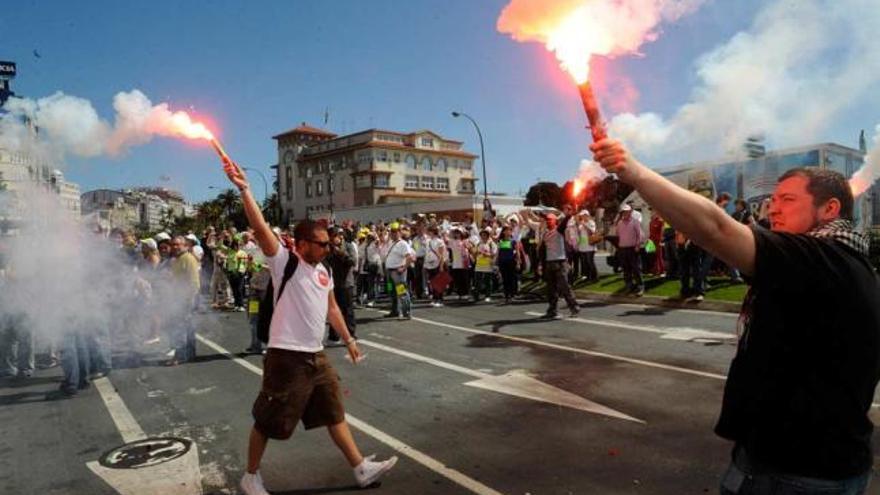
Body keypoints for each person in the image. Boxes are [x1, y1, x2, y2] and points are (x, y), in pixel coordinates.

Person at [592, 138, 880, 495]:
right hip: (816, 465)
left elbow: (715, 229)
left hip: (794, 474)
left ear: (829, 209)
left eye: (788, 200)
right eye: (773, 200)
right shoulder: (843, 263)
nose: (773, 209)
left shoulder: (823, 260)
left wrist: (633, 172)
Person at [222, 158, 397, 495]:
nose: (328, 247)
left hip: (316, 357)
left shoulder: (324, 271)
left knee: (334, 413)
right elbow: (260, 228)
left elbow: (332, 308)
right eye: (322, 244)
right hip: (286, 358)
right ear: (302, 244)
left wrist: (348, 340)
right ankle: (251, 476)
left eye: (329, 243)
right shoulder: (284, 261)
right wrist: (245, 189)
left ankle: (361, 467)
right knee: (268, 420)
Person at [527, 206, 580, 318]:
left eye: (550, 220)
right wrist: (541, 264)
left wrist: (569, 215)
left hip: (560, 263)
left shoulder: (559, 230)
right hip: (549, 263)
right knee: (551, 289)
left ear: (555, 221)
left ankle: (574, 306)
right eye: (547, 220)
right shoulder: (545, 234)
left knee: (565, 286)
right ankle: (552, 309)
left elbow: (565, 222)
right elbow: (542, 251)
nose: (548, 221)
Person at [168, 235, 201, 365]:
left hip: (187, 299)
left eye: (178, 244)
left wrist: (188, 300)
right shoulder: (177, 260)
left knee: (180, 328)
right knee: (187, 327)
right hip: (179, 298)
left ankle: (180, 355)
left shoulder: (188, 259)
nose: (175, 247)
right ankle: (188, 354)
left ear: (185, 246)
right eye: (173, 244)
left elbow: (194, 283)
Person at [383, 223, 415, 319]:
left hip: (397, 271)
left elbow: (409, 257)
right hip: (389, 271)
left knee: (402, 292)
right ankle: (394, 310)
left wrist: (404, 267)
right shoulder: (391, 243)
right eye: (392, 232)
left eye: (395, 231)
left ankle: (407, 312)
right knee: (391, 291)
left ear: (399, 232)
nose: (393, 234)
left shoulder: (403, 244)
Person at [615, 204, 645, 296]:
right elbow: (618, 234)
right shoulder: (619, 223)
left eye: (627, 211)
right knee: (626, 269)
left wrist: (638, 245)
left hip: (633, 248)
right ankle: (629, 286)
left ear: (630, 212)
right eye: (624, 212)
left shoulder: (635, 222)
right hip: (623, 249)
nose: (625, 213)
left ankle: (640, 286)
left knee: (636, 268)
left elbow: (640, 235)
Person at [496, 225, 521, 303]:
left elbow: (517, 253)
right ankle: (507, 295)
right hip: (503, 262)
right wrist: (496, 262)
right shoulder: (500, 241)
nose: (508, 232)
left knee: (512, 278)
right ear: (503, 232)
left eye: (509, 230)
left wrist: (518, 262)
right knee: (505, 279)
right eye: (506, 230)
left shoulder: (513, 241)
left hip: (511, 262)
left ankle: (512, 294)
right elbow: (498, 252)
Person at [472, 228, 497, 302]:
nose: (483, 236)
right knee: (477, 281)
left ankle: (488, 295)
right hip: (479, 265)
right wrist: (475, 253)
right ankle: (476, 295)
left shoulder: (491, 243)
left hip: (488, 265)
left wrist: (487, 254)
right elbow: (474, 252)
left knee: (487, 281)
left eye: (485, 235)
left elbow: (494, 254)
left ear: (487, 236)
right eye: (482, 235)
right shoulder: (479, 243)